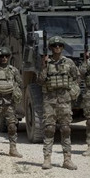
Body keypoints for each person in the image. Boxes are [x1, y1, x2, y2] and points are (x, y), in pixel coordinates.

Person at [38, 36, 80, 170]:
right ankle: (47, 158)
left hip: (64, 100)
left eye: (60, 45)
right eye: (54, 45)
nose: (57, 48)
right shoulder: (46, 63)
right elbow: (40, 81)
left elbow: (76, 78)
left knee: (65, 129)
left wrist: (73, 90)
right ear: (50, 48)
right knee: (49, 128)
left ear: (62, 47)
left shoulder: (69, 63)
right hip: (50, 100)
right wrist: (44, 66)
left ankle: (67, 159)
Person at [0, 46, 23, 158]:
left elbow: (20, 82)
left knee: (12, 126)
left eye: (6, 56)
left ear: (9, 57)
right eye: (1, 56)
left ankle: (13, 149)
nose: (4, 58)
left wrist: (15, 89)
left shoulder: (13, 70)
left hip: (9, 102)